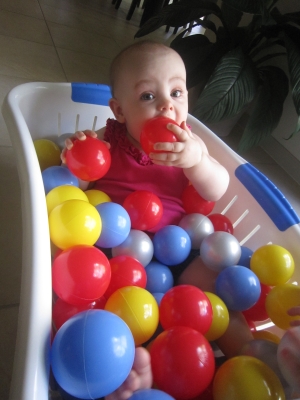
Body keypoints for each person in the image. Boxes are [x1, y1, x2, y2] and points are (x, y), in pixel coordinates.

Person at [62, 40, 256, 399]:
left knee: (216, 282)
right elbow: (81, 180)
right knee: (114, 298)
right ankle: (133, 363)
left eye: (177, 92)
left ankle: (251, 354)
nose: (168, 104)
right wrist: (79, 151)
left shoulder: (190, 144)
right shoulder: (111, 140)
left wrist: (196, 161)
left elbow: (217, 187)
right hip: (117, 251)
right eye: (148, 97)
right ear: (119, 111)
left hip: (181, 245)